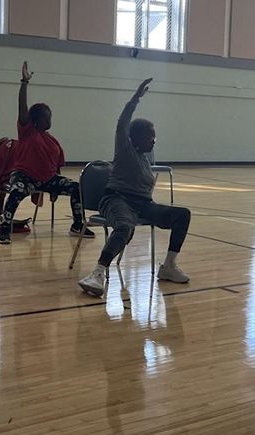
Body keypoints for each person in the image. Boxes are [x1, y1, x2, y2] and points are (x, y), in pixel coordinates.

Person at [78, 78, 192, 296]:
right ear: (136, 137)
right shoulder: (124, 148)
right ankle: (98, 272)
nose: (154, 140)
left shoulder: (145, 157)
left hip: (142, 204)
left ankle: (168, 266)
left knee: (182, 215)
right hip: (116, 200)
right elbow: (121, 123)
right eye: (150, 136)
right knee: (124, 226)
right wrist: (135, 99)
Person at [0, 61, 92, 245]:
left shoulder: (51, 139)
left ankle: (77, 225)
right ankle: (5, 228)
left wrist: (56, 186)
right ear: (36, 119)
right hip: (24, 177)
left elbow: (55, 167)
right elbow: (22, 107)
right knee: (16, 192)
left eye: (50, 116)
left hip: (48, 179)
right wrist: (24, 83)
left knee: (76, 188)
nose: (50, 119)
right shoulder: (27, 131)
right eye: (47, 116)